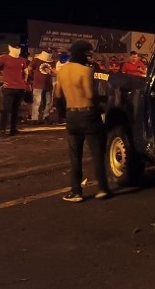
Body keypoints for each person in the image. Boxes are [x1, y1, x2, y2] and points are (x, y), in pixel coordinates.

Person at [54, 40, 112, 203]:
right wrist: (103, 100)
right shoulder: (85, 71)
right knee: (97, 153)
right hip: (88, 115)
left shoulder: (62, 70)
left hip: (72, 116)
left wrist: (63, 114)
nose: (90, 57)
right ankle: (102, 189)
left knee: (75, 156)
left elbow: (58, 95)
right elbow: (89, 95)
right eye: (88, 54)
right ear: (82, 54)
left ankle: (76, 192)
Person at [0, 44, 28, 136]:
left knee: (16, 110)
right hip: (9, 88)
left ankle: (13, 129)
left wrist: (24, 82)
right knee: (6, 109)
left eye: (19, 48)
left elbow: (26, 71)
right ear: (11, 48)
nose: (18, 49)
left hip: (20, 88)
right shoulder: (4, 58)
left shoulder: (22, 60)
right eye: (16, 48)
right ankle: (3, 129)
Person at [29, 50, 55, 123]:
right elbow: (29, 69)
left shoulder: (52, 62)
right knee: (37, 102)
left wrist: (51, 72)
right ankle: (34, 118)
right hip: (38, 84)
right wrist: (32, 77)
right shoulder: (36, 60)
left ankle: (46, 116)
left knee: (48, 102)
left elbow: (55, 73)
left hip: (48, 85)